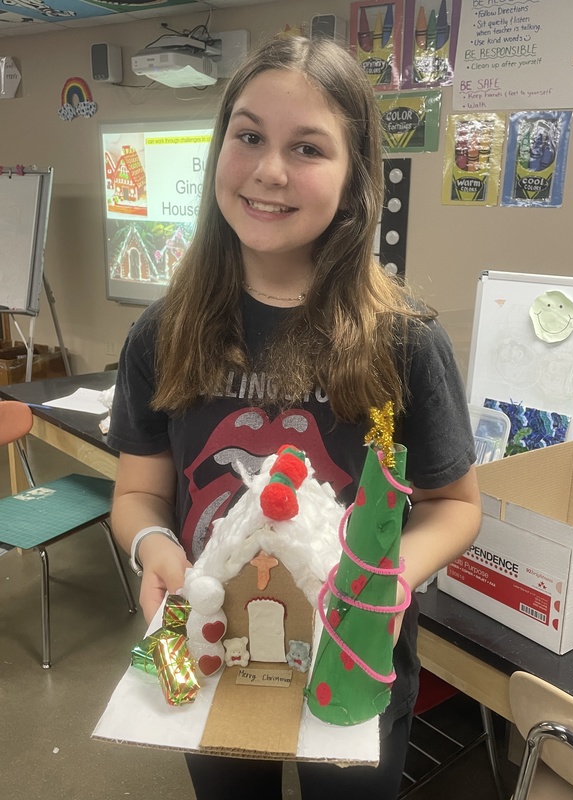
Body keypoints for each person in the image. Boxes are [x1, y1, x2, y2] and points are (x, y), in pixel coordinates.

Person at [108, 34, 481, 800]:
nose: (269, 171)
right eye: (248, 136)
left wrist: (376, 585)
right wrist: (155, 551)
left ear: (353, 182)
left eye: (308, 148)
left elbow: (454, 507)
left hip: (353, 662)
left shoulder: (402, 340)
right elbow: (139, 494)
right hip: (215, 638)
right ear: (221, 149)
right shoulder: (165, 331)